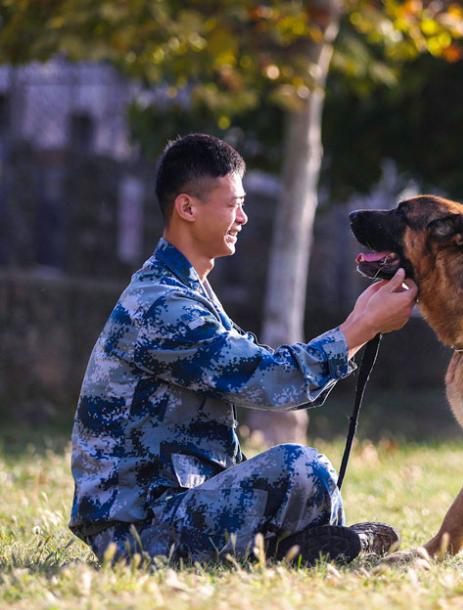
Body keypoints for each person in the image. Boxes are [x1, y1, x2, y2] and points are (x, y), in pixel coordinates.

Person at [68, 133, 417, 565]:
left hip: (171, 509)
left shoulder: (186, 291)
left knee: (303, 477)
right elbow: (264, 378)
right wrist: (358, 328)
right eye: (233, 204)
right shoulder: (161, 305)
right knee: (300, 468)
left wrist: (358, 328)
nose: (244, 217)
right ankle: (322, 548)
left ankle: (309, 549)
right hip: (137, 533)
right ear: (187, 208)